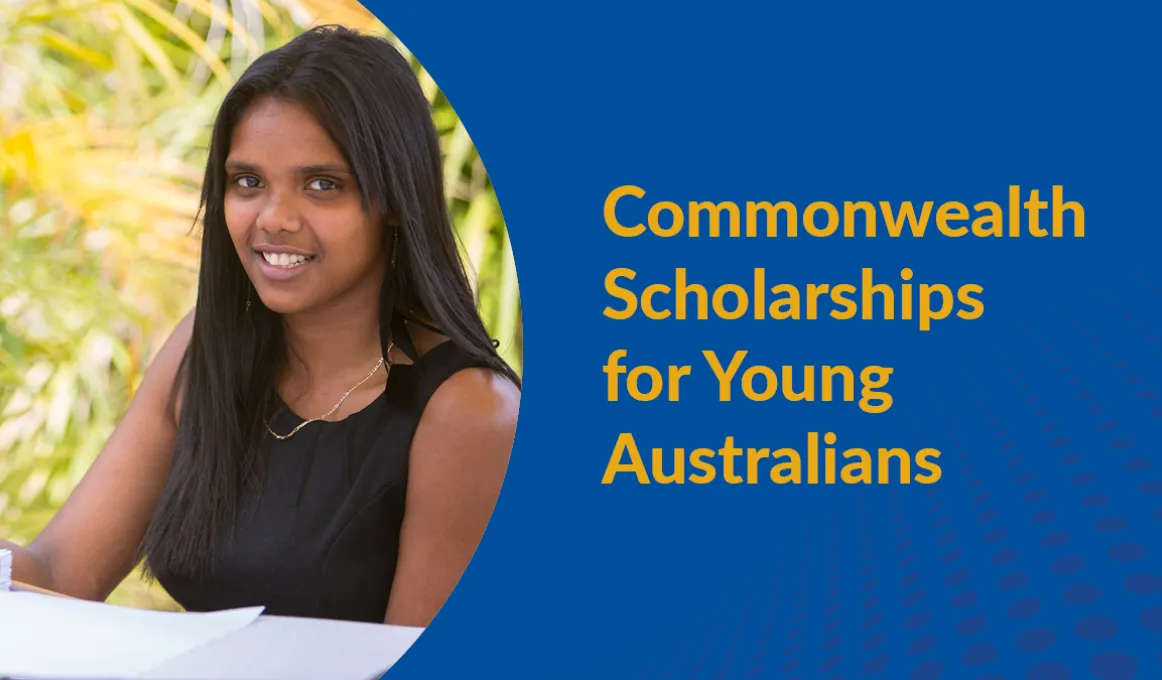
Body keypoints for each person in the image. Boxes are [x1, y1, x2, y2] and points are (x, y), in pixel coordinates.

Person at [0, 25, 520, 627]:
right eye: (248, 182)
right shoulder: (209, 346)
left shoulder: (470, 413)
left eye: (323, 185)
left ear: (396, 199)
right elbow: (61, 575)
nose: (273, 219)